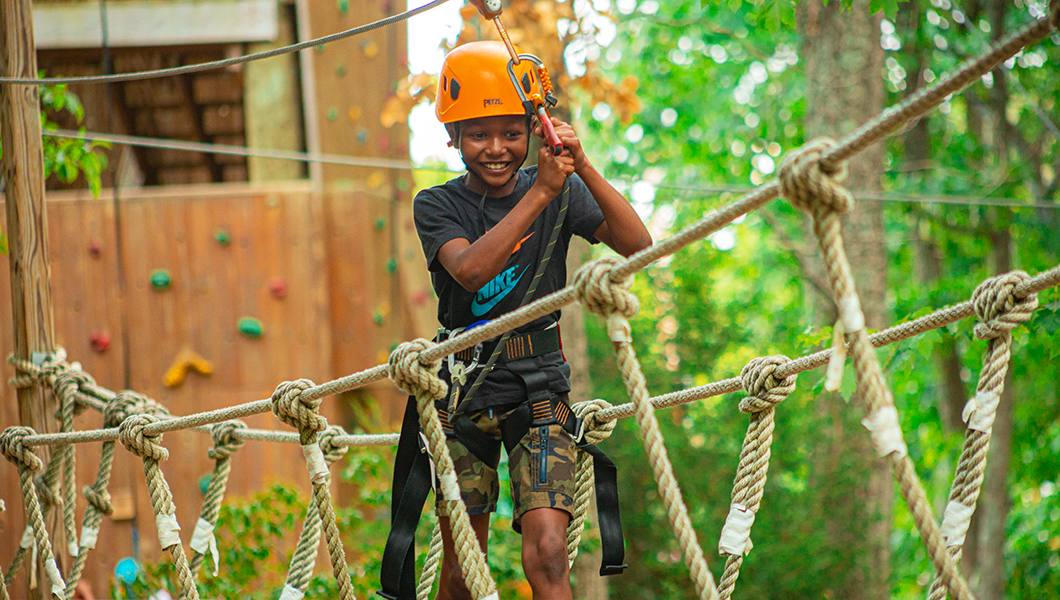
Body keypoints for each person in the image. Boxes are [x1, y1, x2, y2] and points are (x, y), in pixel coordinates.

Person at [411, 40, 651, 600]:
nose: (495, 148)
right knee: (461, 571)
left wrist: (581, 167)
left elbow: (636, 247)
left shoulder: (564, 191)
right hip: (464, 395)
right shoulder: (438, 205)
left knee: (548, 553)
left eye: (511, 133)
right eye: (477, 134)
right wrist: (542, 189)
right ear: (452, 137)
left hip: (539, 390)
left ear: (534, 131)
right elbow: (470, 271)